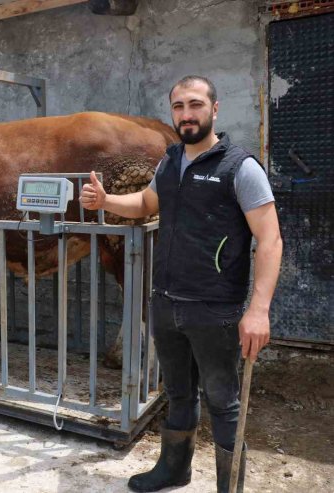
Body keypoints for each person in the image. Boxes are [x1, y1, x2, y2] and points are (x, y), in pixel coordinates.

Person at [80, 76, 282, 492]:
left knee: (223, 402)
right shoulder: (170, 162)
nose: (186, 114)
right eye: (178, 106)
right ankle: (175, 469)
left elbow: (270, 239)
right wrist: (106, 202)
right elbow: (145, 204)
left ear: (215, 108)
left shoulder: (239, 167)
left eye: (195, 104)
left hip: (215, 308)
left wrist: (258, 309)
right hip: (166, 302)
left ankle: (231, 486)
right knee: (178, 392)